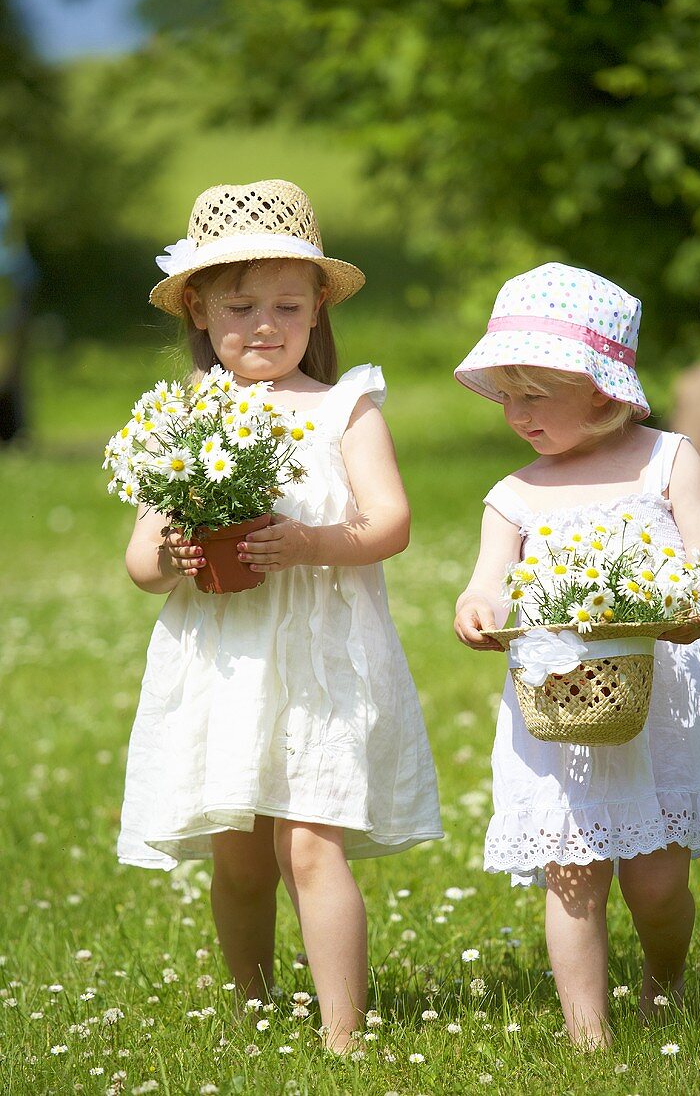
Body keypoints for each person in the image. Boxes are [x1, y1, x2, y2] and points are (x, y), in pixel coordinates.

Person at [119, 180, 443, 1051]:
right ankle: (254, 1006)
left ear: (317, 311)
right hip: (226, 661)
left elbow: (390, 523)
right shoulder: (186, 415)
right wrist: (174, 558)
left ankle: (342, 1033)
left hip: (320, 660)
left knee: (310, 843)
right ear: (197, 306)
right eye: (241, 304)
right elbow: (142, 562)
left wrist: (309, 544)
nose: (266, 324)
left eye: (288, 306)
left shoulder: (345, 407)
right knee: (238, 853)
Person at [453, 262, 700, 1048]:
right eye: (505, 394)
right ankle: (589, 1037)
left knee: (658, 885)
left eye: (534, 395)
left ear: (605, 392)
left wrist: (685, 601)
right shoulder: (516, 494)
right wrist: (479, 613)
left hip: (662, 702)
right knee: (572, 876)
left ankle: (665, 981)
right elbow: (488, 587)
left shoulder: (666, 461)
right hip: (565, 706)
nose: (515, 413)